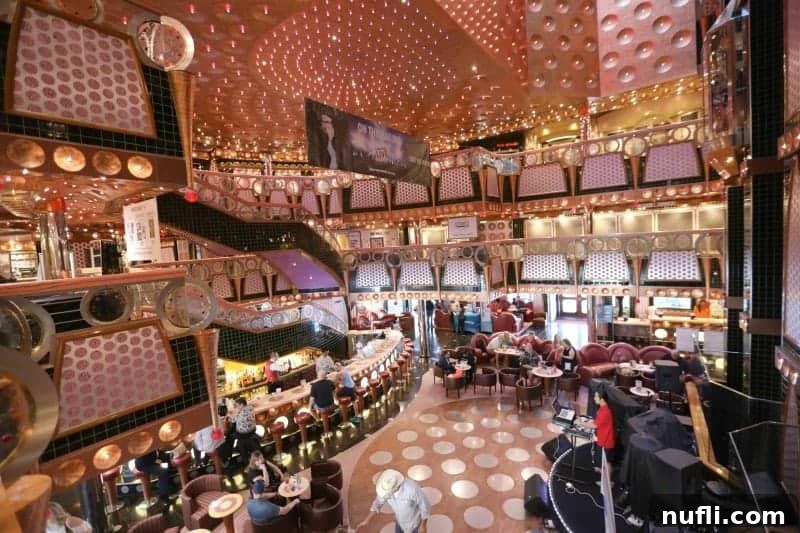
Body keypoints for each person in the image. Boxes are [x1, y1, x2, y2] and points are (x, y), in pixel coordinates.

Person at [356, 469, 430, 533]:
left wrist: (423, 526)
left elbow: (425, 506)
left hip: (414, 524)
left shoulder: (412, 489)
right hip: (400, 522)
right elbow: (378, 502)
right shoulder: (385, 487)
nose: (385, 496)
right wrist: (366, 520)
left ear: (395, 488)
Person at [591, 389, 616, 469]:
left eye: (596, 396)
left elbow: (595, 425)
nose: (594, 398)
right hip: (602, 439)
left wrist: (581, 423)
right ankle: (601, 471)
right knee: (603, 460)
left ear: (601, 399)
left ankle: (608, 480)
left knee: (607, 462)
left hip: (606, 441)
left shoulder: (605, 411)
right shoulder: (603, 408)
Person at [230, 397, 259, 463]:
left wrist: (234, 413)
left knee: (233, 437)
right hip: (252, 432)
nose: (236, 407)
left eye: (237, 405)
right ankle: (254, 459)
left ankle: (245, 459)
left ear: (242, 405)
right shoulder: (251, 408)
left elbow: (232, 420)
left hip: (243, 435)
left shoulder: (241, 413)